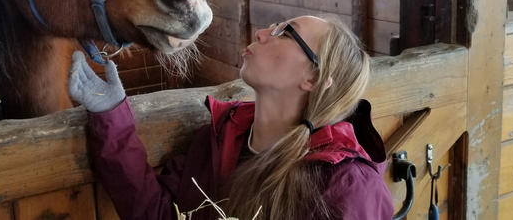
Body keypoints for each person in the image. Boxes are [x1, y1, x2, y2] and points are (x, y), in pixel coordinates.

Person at [68, 16, 394, 219]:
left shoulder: (347, 186)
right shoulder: (219, 136)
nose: (263, 32)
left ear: (312, 78)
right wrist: (110, 114)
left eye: (285, 33)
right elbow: (159, 214)